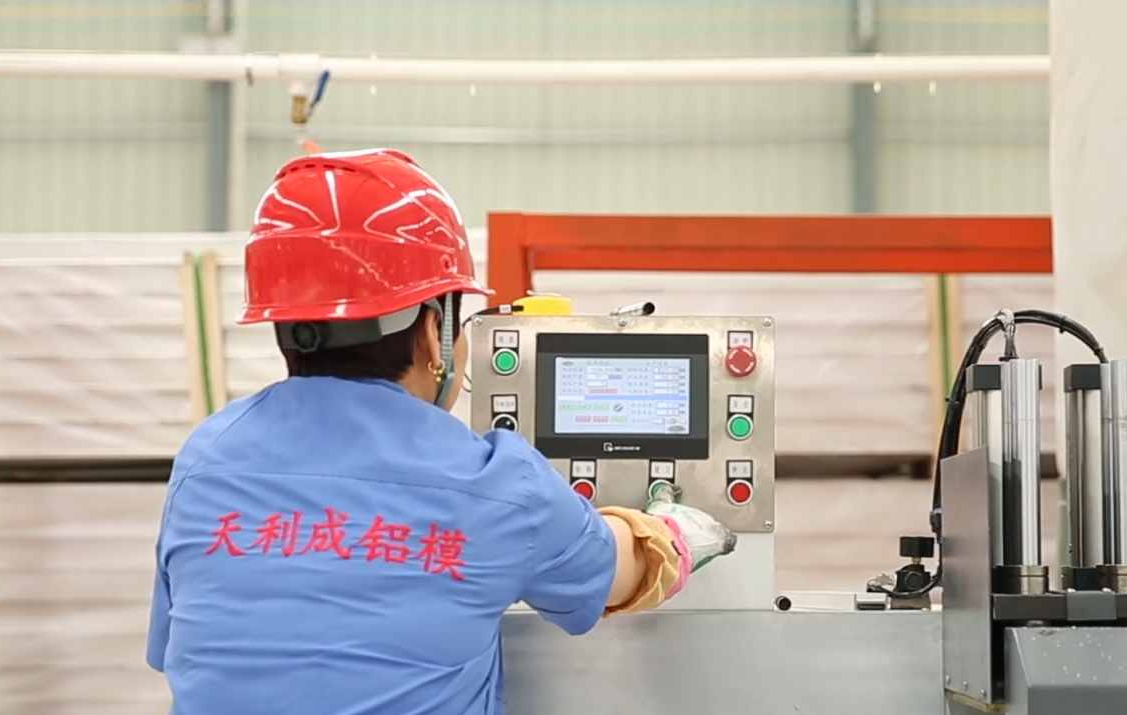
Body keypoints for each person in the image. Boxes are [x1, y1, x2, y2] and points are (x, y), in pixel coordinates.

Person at [146, 149, 735, 715]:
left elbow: (181, 650)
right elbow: (616, 571)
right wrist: (675, 533)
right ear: (434, 332)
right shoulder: (493, 481)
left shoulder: (207, 459)